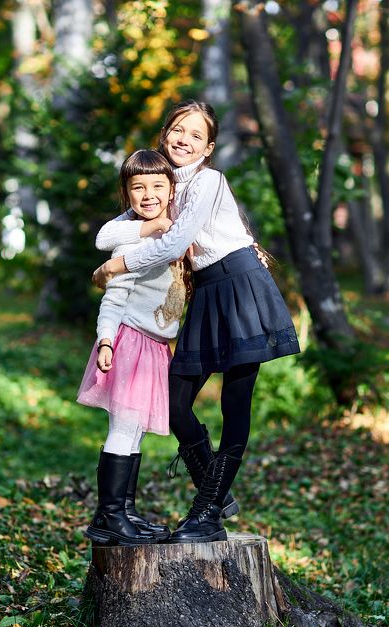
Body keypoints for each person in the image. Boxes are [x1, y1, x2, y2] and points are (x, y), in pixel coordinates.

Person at [92, 100, 300, 544]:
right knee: (173, 401)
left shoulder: (208, 181)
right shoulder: (161, 186)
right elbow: (105, 234)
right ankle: (214, 490)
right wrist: (126, 244)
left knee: (234, 407)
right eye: (177, 130)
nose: (183, 140)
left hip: (242, 287)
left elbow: (175, 245)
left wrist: (117, 266)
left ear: (208, 148)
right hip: (206, 292)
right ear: (164, 134)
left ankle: (206, 513)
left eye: (195, 135)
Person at [79, 149, 189, 546]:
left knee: (136, 432)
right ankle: (108, 516)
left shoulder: (179, 229)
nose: (148, 195)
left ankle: (124, 511)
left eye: (158, 186)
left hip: (156, 347)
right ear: (126, 194)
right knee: (123, 429)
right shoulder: (129, 239)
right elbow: (113, 296)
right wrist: (106, 338)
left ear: (171, 188)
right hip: (129, 345)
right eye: (138, 188)